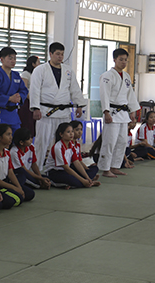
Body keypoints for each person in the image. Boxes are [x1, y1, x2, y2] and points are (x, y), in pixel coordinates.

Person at [30, 42, 86, 170]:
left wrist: (79, 105)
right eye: (57, 54)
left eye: (62, 54)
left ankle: (59, 169)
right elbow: (34, 90)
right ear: (50, 54)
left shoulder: (68, 70)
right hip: (46, 112)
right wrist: (35, 108)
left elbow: (75, 89)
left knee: (64, 143)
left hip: (63, 112)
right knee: (41, 142)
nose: (60, 57)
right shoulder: (40, 70)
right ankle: (37, 171)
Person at [98, 48, 140, 178]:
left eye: (126, 60)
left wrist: (132, 110)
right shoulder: (107, 76)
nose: (124, 62)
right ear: (114, 60)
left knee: (122, 141)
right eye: (121, 59)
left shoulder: (126, 76)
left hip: (123, 113)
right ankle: (105, 168)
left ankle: (115, 166)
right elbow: (104, 94)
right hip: (112, 111)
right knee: (109, 141)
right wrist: (106, 112)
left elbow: (130, 94)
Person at [0, 47, 28, 133]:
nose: (13, 61)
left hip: (13, 113)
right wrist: (9, 98)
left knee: (15, 138)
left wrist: (20, 97)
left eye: (15, 58)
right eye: (10, 58)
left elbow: (24, 90)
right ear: (2, 59)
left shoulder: (16, 75)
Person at [44, 122, 100, 188]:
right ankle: (57, 182)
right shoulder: (58, 147)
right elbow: (66, 168)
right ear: (61, 134)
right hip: (55, 172)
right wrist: (83, 180)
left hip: (66, 170)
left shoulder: (72, 145)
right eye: (68, 132)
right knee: (72, 179)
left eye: (72, 131)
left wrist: (87, 178)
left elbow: (77, 163)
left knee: (94, 169)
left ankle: (87, 182)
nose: (71, 134)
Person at [0, 124, 35, 205]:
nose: (11, 137)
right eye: (8, 134)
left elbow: (10, 173)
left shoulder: (7, 152)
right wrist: (13, 187)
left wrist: (19, 187)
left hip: (6, 181)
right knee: (15, 200)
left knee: (30, 194)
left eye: (11, 134)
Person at [19, 56, 40, 137]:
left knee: (33, 125)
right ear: (33, 64)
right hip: (27, 102)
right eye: (38, 62)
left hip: (35, 102)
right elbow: (24, 89)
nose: (40, 64)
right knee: (27, 124)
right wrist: (32, 99)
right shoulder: (26, 73)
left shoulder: (36, 74)